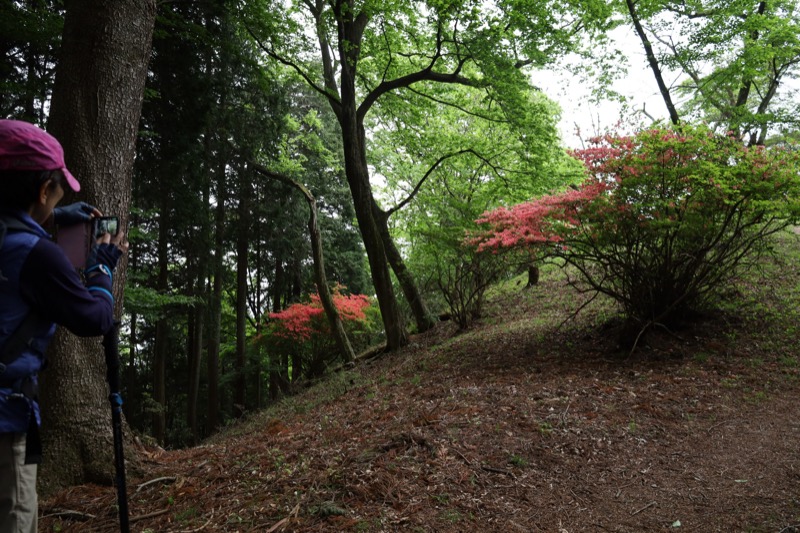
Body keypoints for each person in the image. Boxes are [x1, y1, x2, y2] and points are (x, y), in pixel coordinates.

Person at [0, 119, 128, 533]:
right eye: (56, 190)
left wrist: (51, 219)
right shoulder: (38, 255)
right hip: (6, 421)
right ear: (41, 190)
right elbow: (95, 319)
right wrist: (102, 272)